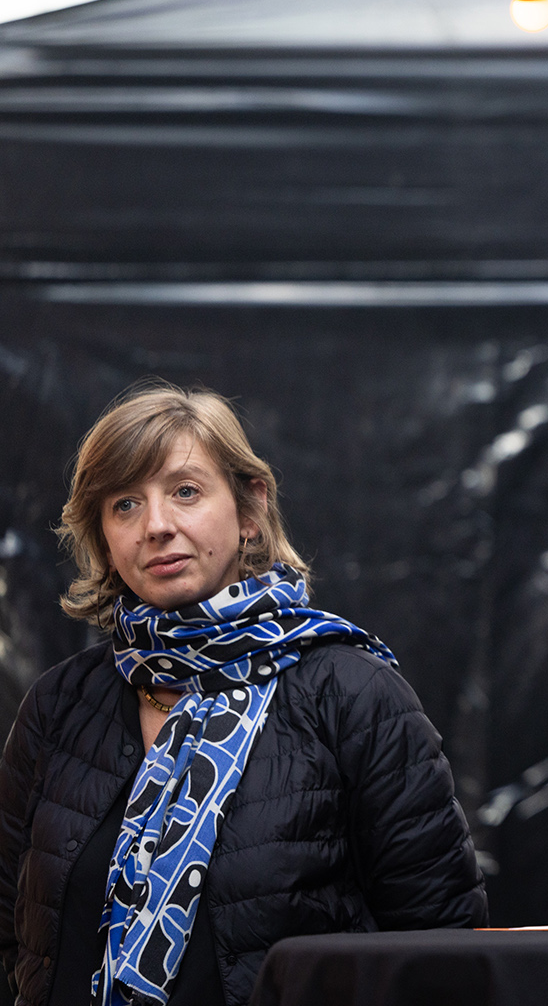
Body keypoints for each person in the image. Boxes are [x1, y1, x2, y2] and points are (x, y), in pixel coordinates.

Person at [0, 384, 486, 1006]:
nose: (157, 525)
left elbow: (443, 946)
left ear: (250, 509)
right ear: (104, 539)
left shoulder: (354, 694)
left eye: (185, 491)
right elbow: (13, 929)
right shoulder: (60, 703)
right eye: (125, 504)